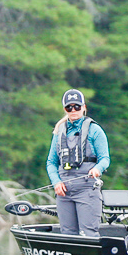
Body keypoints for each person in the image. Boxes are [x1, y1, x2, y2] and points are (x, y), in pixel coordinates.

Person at [45, 88, 108, 235]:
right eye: (69, 107)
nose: (73, 110)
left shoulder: (95, 130)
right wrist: (56, 182)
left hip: (87, 190)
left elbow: (105, 158)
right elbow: (51, 162)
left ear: (84, 107)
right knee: (67, 232)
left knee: (89, 232)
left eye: (77, 106)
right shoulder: (59, 132)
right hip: (64, 192)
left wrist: (97, 169)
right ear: (65, 109)